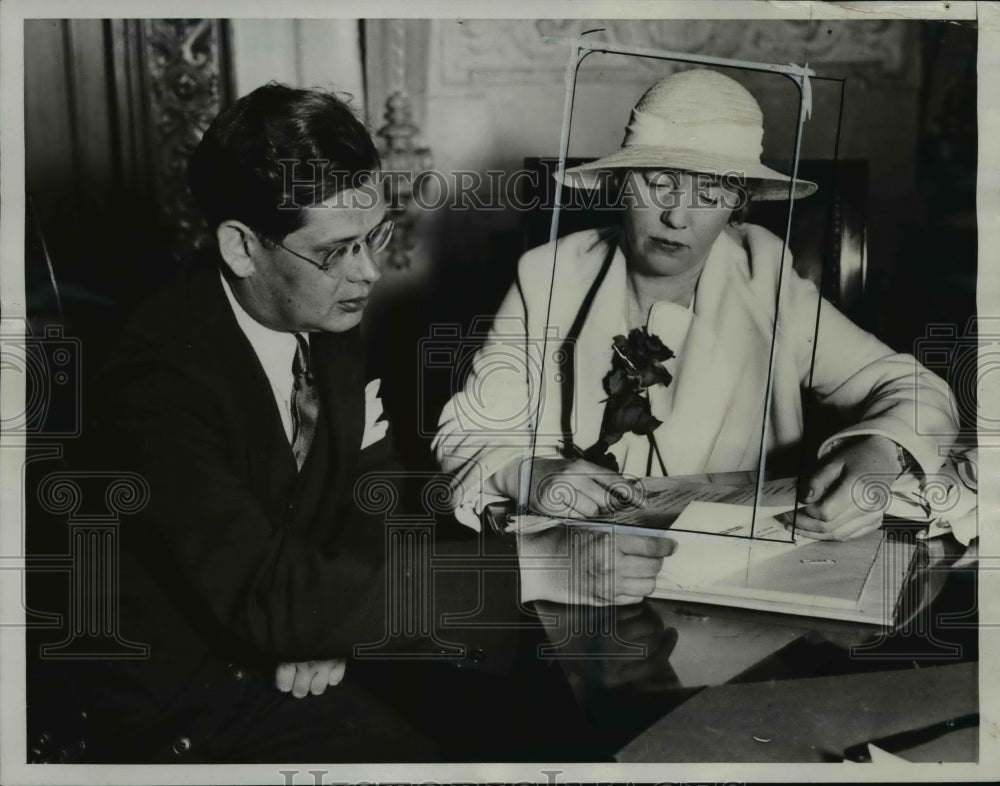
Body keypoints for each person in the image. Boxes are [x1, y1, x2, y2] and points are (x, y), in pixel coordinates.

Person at [74, 83, 598, 763]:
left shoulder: (325, 320)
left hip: (293, 641)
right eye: (335, 250)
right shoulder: (154, 377)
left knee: (533, 716)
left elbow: (375, 490)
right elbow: (262, 596)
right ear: (240, 247)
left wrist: (317, 628)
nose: (370, 271)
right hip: (182, 700)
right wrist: (533, 566)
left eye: (375, 237)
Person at [434, 68, 959, 546]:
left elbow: (912, 388)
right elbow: (470, 429)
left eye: (711, 192)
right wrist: (531, 473)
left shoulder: (764, 277)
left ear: (740, 204)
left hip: (734, 562)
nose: (677, 216)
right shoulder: (546, 274)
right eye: (659, 182)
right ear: (619, 181)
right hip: (582, 562)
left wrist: (881, 450)